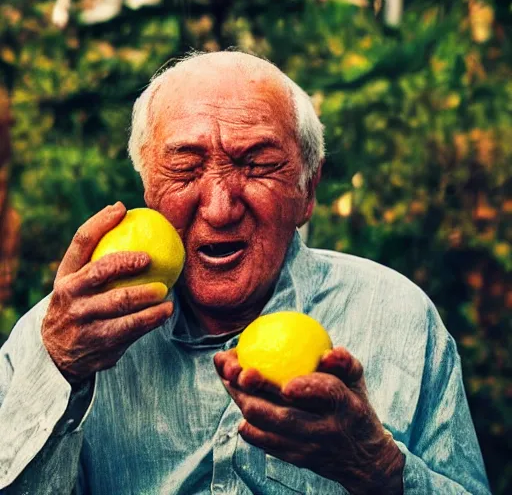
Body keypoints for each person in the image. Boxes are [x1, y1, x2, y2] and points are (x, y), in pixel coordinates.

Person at [0, 51, 490, 495]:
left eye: (257, 165)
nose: (219, 208)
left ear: (308, 190)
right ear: (148, 188)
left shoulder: (399, 318)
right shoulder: (66, 331)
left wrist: (378, 469)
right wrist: (59, 368)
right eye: (186, 169)